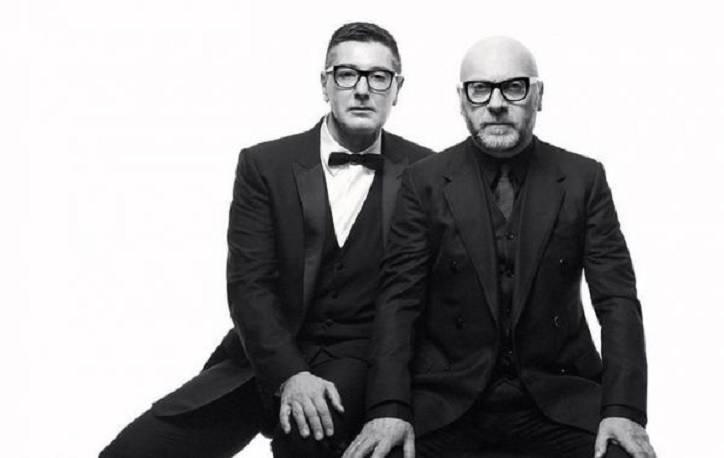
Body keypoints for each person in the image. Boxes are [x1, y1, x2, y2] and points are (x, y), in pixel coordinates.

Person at [100, 22, 432, 458]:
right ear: (325, 84)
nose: (362, 90)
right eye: (347, 74)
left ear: (397, 88)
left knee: (308, 439)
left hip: (358, 361)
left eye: (379, 77)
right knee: (133, 451)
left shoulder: (426, 171)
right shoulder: (264, 164)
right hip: (262, 358)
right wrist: (290, 374)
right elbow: (248, 285)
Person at [343, 37, 656, 458]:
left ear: (538, 95)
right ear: (461, 100)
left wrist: (623, 410)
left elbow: (617, 299)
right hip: (447, 399)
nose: (495, 103)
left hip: (559, 397)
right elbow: (399, 300)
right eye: (480, 89)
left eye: (513, 87)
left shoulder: (584, 179)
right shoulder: (424, 181)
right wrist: (389, 407)